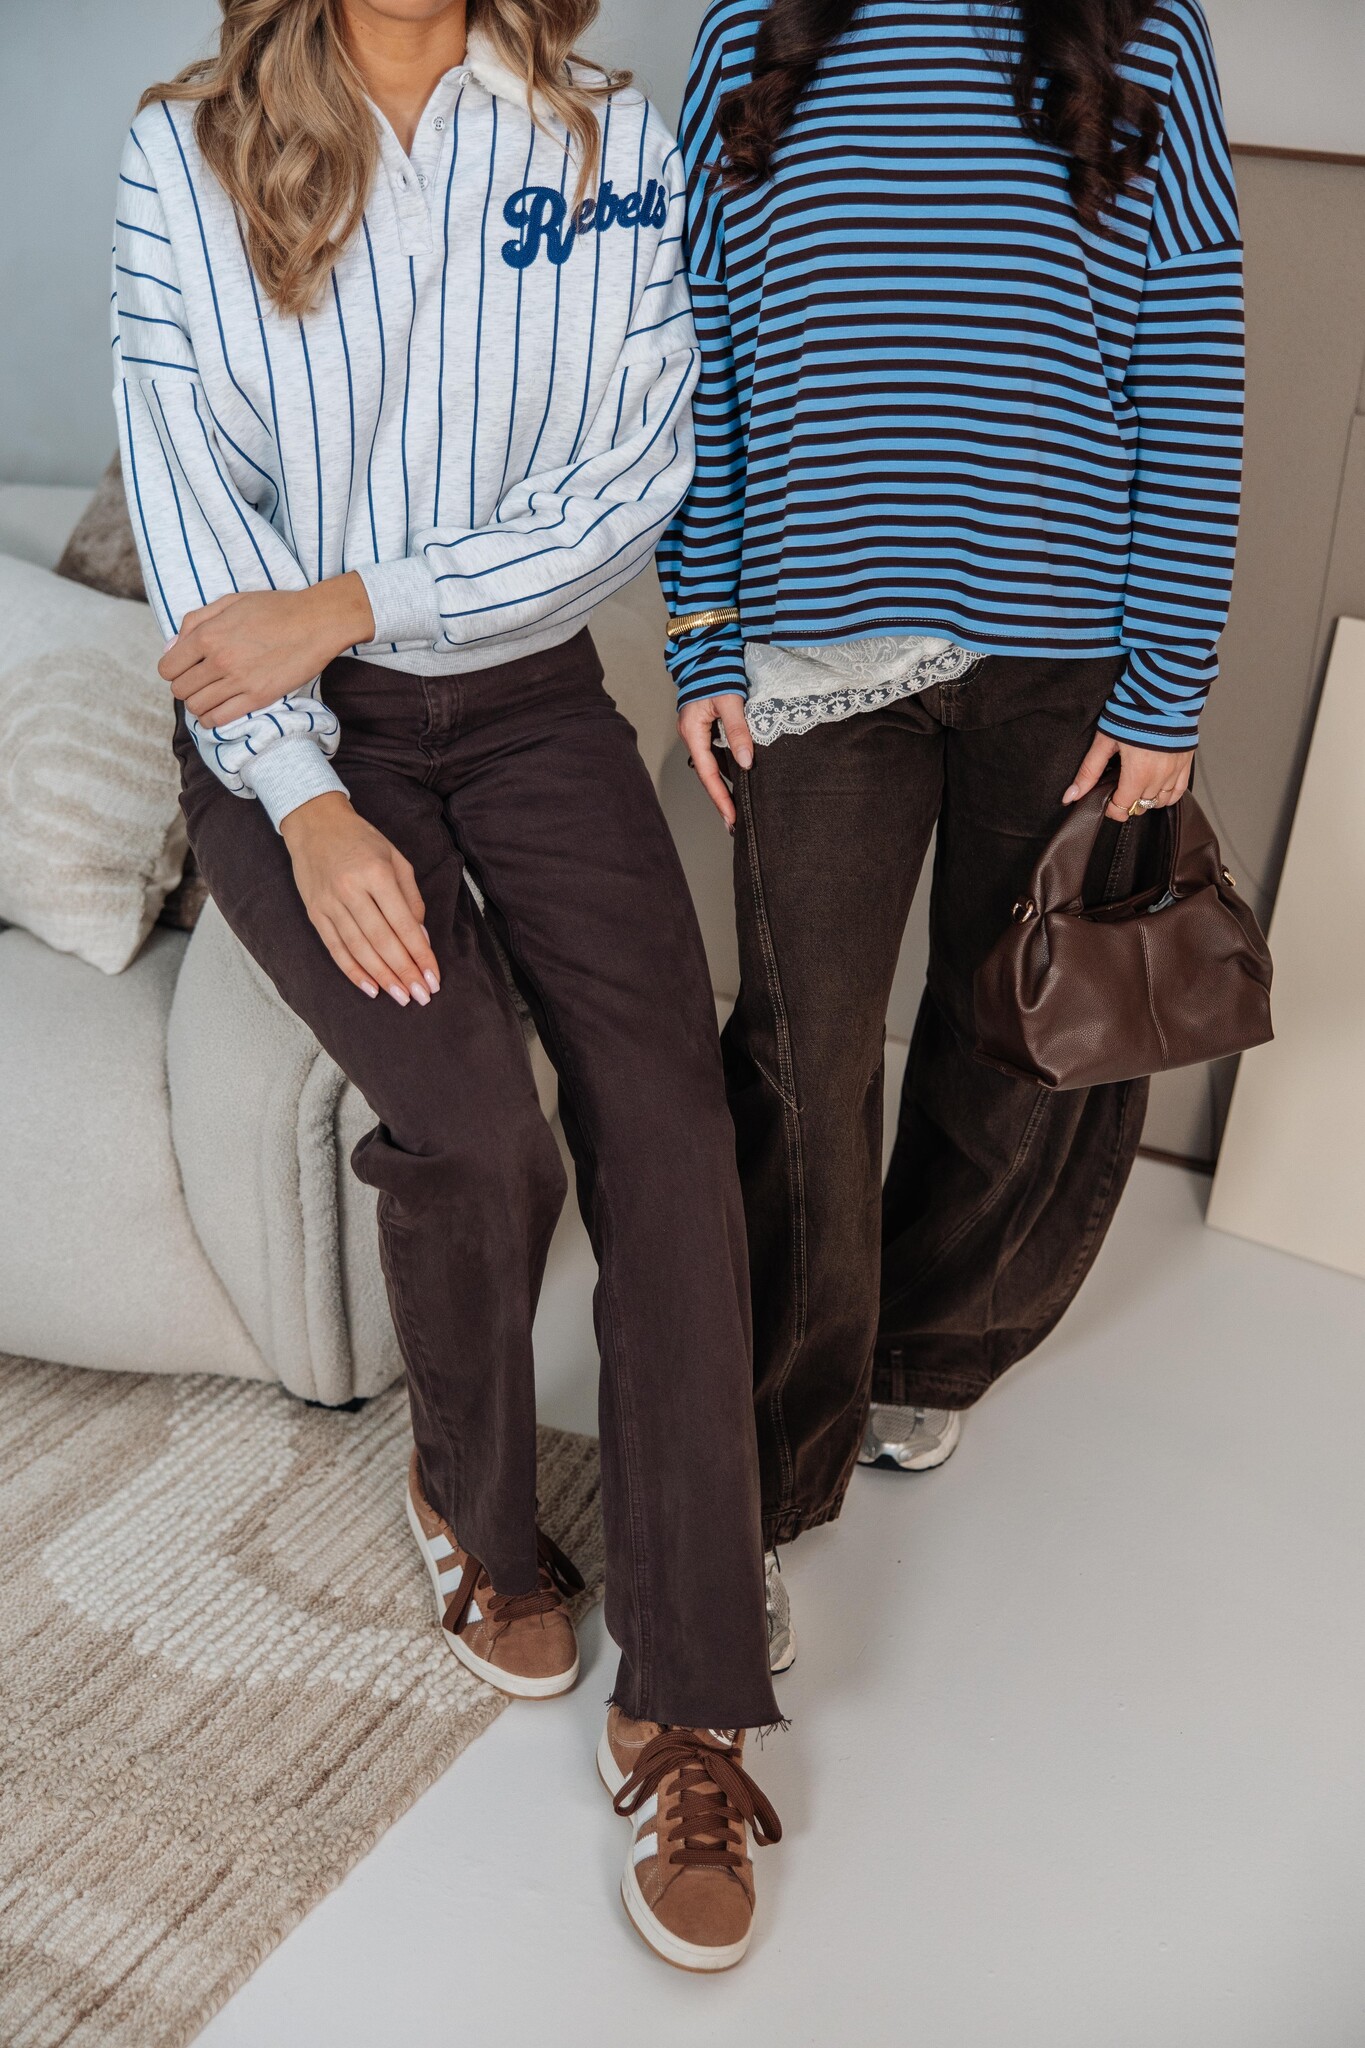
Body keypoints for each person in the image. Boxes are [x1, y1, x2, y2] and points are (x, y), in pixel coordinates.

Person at [114, 0, 782, 1971]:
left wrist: (357, 597)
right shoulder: (184, 151)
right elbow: (188, 511)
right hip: (284, 737)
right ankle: (474, 1508)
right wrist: (309, 800)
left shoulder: (603, 137)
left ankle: (693, 1703)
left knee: (670, 1132)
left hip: (532, 706)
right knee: (486, 1134)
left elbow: (632, 473)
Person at [663, 0, 1244, 1668]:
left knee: (1015, 1037)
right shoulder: (748, 31)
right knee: (798, 1059)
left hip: (1063, 665)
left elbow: (1188, 355)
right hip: (811, 659)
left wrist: (1167, 685)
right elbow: (698, 352)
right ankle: (760, 1480)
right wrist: (700, 633)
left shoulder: (1147, 31)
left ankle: (919, 1345)